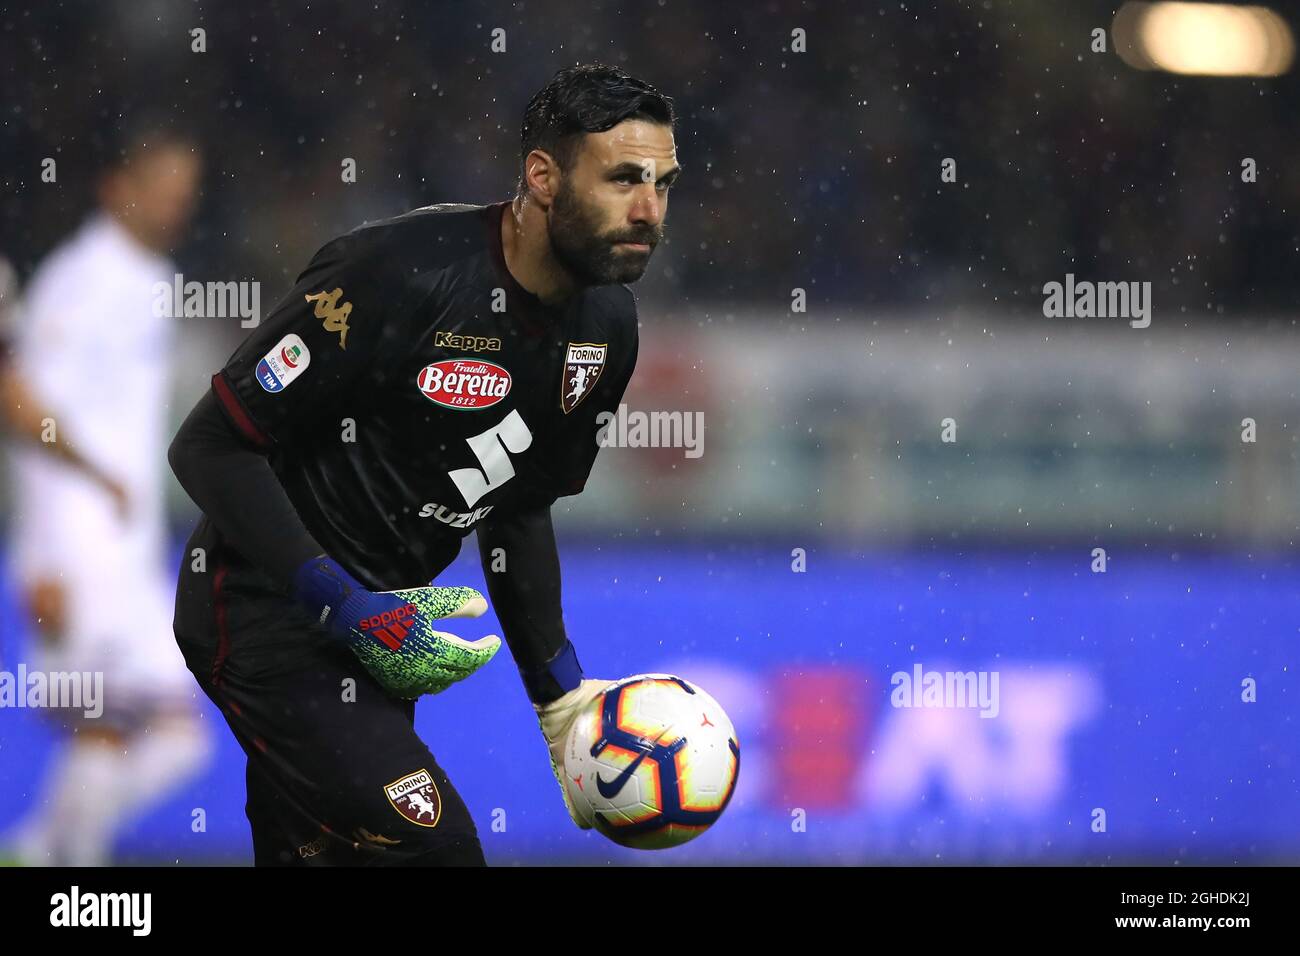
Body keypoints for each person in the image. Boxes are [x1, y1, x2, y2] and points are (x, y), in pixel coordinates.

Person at [167, 63, 678, 865]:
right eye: (623, 179)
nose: (650, 210)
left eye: (662, 183)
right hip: (264, 611)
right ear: (542, 178)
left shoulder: (607, 326)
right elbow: (207, 443)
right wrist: (341, 604)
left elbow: (519, 507)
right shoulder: (396, 274)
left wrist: (561, 703)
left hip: (381, 645)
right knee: (439, 853)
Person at [3, 124, 213, 866]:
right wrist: (41, 559)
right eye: (162, 192)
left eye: (185, 196)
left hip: (130, 551)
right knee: (102, 719)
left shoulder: (153, 282)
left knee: (178, 735)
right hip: (78, 544)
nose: (174, 209)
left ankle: (36, 848)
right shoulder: (78, 279)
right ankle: (71, 876)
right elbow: (24, 413)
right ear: (118, 187)